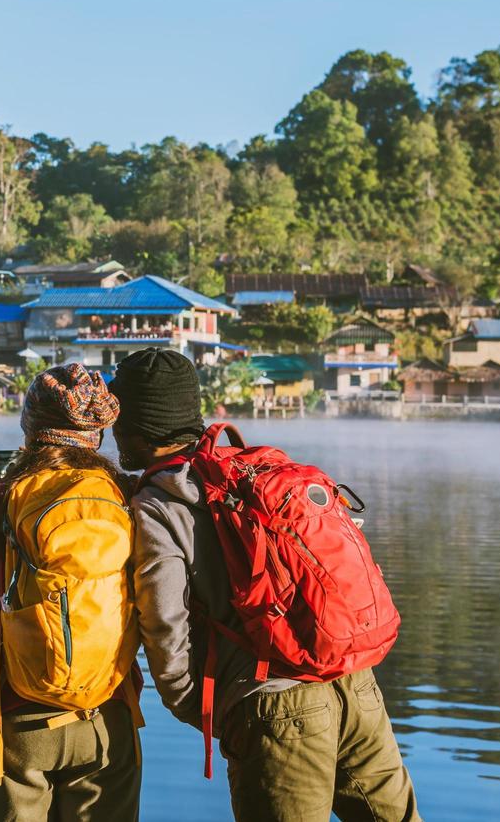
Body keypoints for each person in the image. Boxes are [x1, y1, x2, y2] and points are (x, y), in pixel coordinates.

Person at [109, 347, 420, 822]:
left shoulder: (159, 504)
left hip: (271, 705)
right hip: (354, 680)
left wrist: (217, 714)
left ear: (136, 426)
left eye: (118, 419)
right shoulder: (255, 471)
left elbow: (166, 628)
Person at [0, 363, 143, 822]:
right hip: (106, 712)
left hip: (16, 715)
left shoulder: (6, 494)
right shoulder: (125, 495)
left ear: (30, 430)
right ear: (96, 434)